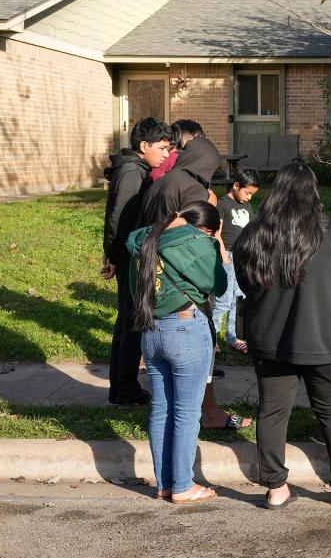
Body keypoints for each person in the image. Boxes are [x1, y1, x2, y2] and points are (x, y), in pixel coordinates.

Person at [233, 162, 331, 509]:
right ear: (313, 192)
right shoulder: (330, 231)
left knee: (273, 412)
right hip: (323, 336)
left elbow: (245, 281)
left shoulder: (255, 232)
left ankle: (276, 489)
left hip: (268, 335)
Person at [140, 134, 252, 431]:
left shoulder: (161, 182)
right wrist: (217, 250)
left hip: (157, 286)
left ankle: (203, 414)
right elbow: (200, 238)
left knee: (163, 404)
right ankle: (210, 414)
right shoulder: (191, 188)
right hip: (187, 289)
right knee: (199, 364)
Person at [127, 201, 227, 504]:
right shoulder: (196, 242)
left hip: (150, 329)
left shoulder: (143, 238)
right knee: (185, 412)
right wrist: (216, 243)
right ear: (205, 228)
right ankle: (183, 486)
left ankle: (164, 484)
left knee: (161, 409)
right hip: (185, 328)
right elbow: (219, 284)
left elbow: (135, 287)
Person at [101, 117, 172, 405]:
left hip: (126, 255)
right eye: (162, 148)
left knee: (127, 322)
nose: (166, 154)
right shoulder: (133, 172)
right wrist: (116, 256)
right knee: (131, 324)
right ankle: (125, 389)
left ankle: (120, 388)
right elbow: (120, 218)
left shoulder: (135, 168)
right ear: (144, 146)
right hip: (129, 257)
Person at [214, 169, 261, 352]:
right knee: (224, 300)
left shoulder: (247, 206)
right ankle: (213, 335)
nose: (249, 198)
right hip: (227, 255)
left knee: (238, 298)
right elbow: (216, 232)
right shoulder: (222, 204)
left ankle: (233, 336)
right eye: (247, 192)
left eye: (252, 194)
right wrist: (223, 255)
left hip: (242, 257)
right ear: (236, 186)